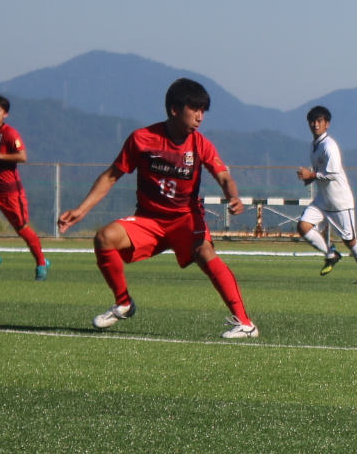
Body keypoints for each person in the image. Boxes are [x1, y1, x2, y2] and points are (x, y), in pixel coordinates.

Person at [56, 78, 259, 339]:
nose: (200, 117)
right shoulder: (142, 139)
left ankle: (245, 324)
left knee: (204, 252)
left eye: (203, 111)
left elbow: (224, 177)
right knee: (104, 238)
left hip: (186, 219)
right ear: (174, 110)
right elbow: (111, 176)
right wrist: (81, 210)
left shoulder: (201, 144)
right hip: (149, 222)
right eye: (194, 109)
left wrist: (233, 196)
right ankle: (123, 303)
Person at [0, 95, 48, 279]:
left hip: (10, 192)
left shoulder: (10, 133)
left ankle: (41, 263)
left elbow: (22, 156)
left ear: (5, 114)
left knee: (22, 229)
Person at [294, 105, 357, 285]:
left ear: (327, 124)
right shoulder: (314, 146)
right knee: (303, 226)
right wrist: (309, 178)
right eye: (312, 121)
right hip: (323, 200)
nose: (315, 124)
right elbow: (320, 171)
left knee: (349, 240)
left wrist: (311, 174)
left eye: (319, 121)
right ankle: (331, 255)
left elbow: (334, 174)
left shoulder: (329, 146)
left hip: (339, 202)